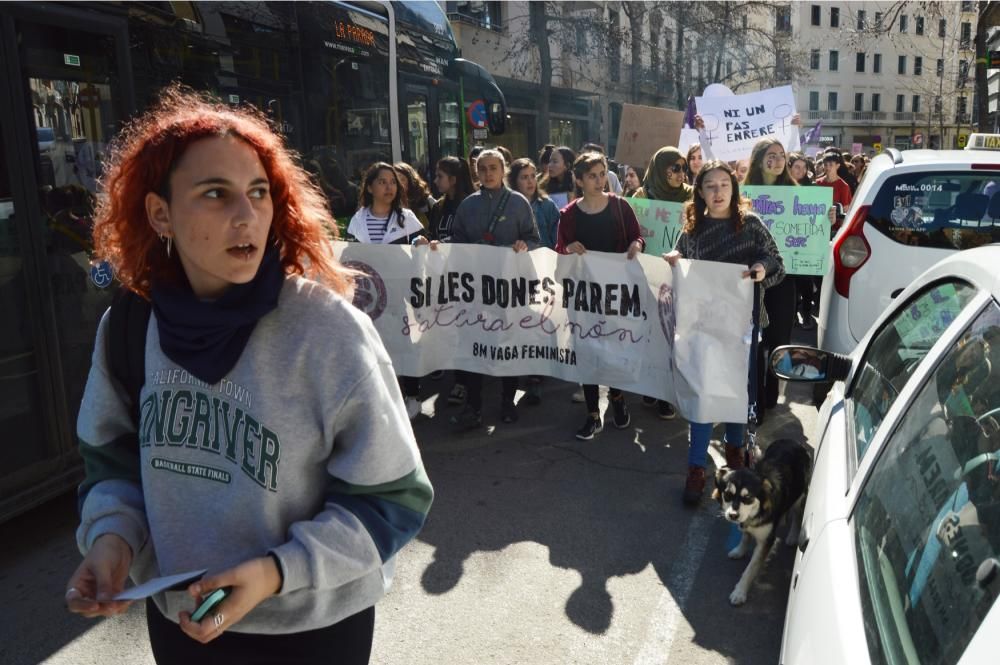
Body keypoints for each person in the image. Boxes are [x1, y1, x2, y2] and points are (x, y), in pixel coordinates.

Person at [66, 86, 432, 664]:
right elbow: (112, 461)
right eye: (215, 193)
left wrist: (275, 574)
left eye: (259, 192)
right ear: (160, 214)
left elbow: (394, 498)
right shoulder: (130, 326)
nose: (247, 216)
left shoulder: (326, 328)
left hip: (313, 633)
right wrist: (112, 539)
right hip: (181, 626)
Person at [662, 160, 785, 505]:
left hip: (743, 328)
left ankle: (736, 463)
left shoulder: (752, 225)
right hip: (702, 328)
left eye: (724, 185)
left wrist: (762, 268)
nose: (718, 192)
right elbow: (682, 258)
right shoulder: (692, 229)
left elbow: (777, 262)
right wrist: (674, 258)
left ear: (734, 189)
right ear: (700, 192)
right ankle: (696, 469)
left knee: (736, 398)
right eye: (710, 186)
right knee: (703, 399)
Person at [415, 149, 539, 428]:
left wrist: (523, 245)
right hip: (475, 290)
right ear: (476, 172)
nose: (488, 173)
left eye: (494, 167)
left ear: (503, 169)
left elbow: (533, 239)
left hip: (508, 288)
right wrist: (438, 248)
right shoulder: (468, 205)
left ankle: (507, 402)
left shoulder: (519, 203)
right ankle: (474, 406)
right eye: (482, 169)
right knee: (473, 345)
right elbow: (457, 243)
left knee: (508, 345)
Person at [555, 152, 645, 440]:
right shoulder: (568, 214)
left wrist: (636, 245)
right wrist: (568, 249)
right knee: (587, 348)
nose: (598, 180)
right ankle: (593, 413)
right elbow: (559, 250)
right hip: (582, 294)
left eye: (602, 173)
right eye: (591, 175)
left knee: (614, 346)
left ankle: (617, 397)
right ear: (579, 180)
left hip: (616, 291)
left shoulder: (620, 206)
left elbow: (638, 236)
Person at [349, 163, 427, 418]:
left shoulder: (407, 219)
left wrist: (421, 245)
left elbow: (420, 253)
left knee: (404, 342)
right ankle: (382, 397)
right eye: (382, 182)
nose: (389, 187)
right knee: (374, 345)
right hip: (371, 297)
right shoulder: (358, 220)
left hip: (399, 293)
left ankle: (412, 395)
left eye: (392, 182)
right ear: (369, 187)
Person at [634, 146, 695, 420]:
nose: (681, 173)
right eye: (675, 168)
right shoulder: (641, 196)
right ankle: (650, 385)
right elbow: (629, 229)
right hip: (648, 274)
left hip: (679, 276)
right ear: (660, 169)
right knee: (650, 334)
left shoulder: (692, 196)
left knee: (671, 334)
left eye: (683, 168)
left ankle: (665, 392)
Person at [743, 139, 796, 417]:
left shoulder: (798, 193)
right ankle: (755, 399)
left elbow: (812, 232)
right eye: (771, 155)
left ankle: (772, 389)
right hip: (753, 279)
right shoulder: (743, 195)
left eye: (781, 155)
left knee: (778, 338)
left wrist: (828, 218)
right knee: (754, 339)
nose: (777, 160)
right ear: (759, 159)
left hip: (785, 279)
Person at [507, 157, 559, 406]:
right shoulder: (507, 205)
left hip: (542, 273)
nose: (529, 181)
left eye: (532, 176)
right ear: (514, 180)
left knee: (540, 323)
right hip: (514, 274)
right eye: (523, 177)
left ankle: (537, 376)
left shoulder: (546, 205)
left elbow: (555, 238)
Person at [428, 156, 475, 243]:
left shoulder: (471, 206)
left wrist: (443, 243)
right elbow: (432, 235)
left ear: (453, 180)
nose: (435, 181)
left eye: (440, 176)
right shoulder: (438, 206)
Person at [816, 151, 853, 233]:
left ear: (837, 166)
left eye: (831, 165)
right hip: (817, 227)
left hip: (834, 230)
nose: (827, 167)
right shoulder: (817, 183)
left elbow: (845, 212)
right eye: (825, 165)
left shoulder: (844, 186)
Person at [393, 162, 435, 229]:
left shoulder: (426, 201)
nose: (399, 184)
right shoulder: (391, 203)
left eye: (402, 179)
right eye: (395, 180)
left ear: (410, 180)